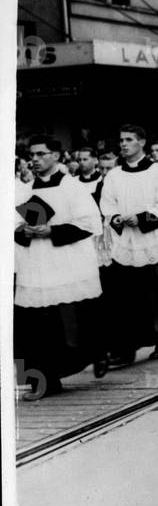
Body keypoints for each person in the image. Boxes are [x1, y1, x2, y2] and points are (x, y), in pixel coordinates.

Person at [14, 136, 108, 398]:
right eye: (31, 154)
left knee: (72, 319)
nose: (34, 159)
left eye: (41, 153)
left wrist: (51, 230)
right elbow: (11, 225)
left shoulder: (73, 188)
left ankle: (96, 354)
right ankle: (41, 381)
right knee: (33, 323)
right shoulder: (24, 190)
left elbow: (90, 224)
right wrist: (25, 230)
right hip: (36, 263)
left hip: (67, 262)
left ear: (56, 156)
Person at [100, 124, 158, 365]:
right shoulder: (115, 175)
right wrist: (115, 217)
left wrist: (142, 218)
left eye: (128, 140)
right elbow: (108, 204)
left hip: (153, 239)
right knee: (127, 296)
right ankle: (127, 347)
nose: (123, 144)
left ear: (142, 142)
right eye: (121, 140)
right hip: (126, 240)